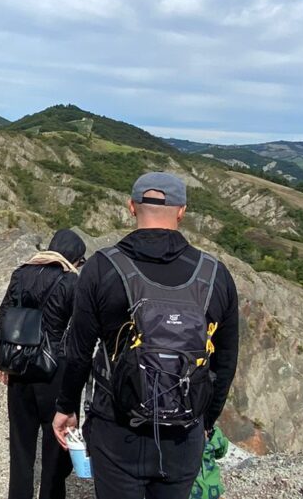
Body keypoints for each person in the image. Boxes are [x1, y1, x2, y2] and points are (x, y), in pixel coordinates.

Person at [53, 172, 239, 499]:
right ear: (182, 211)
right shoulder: (215, 275)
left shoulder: (102, 267)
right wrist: (205, 421)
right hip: (184, 434)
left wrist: (67, 406)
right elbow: (225, 361)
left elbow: (78, 350)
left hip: (116, 429)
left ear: (131, 207)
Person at [0, 229, 87, 499]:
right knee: (56, 441)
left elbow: (0, 321)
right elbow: (81, 333)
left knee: (21, 442)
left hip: (19, 366)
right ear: (74, 257)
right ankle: (50, 493)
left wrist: (3, 362)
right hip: (55, 370)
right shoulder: (72, 282)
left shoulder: (21, 273)